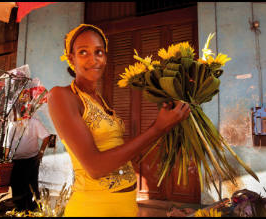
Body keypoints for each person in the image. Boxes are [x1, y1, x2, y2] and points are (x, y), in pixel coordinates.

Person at [48, 24, 191, 217]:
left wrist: (165, 122)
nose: (94, 59)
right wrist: (157, 129)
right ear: (71, 58)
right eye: (83, 52)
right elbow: (95, 167)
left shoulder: (101, 100)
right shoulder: (62, 96)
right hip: (93, 208)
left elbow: (120, 152)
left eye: (99, 52)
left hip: (126, 207)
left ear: (105, 57)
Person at [4, 109, 50, 211]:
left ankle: (34, 209)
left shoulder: (33, 122)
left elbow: (46, 136)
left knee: (31, 186)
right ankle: (19, 209)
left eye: (15, 112)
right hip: (14, 161)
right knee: (16, 186)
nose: (14, 115)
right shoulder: (11, 125)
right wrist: (5, 161)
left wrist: (41, 152)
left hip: (31, 160)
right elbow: (7, 145)